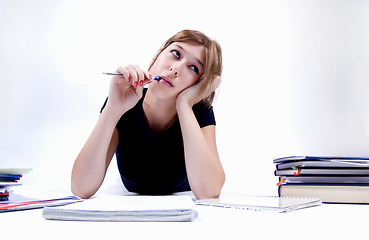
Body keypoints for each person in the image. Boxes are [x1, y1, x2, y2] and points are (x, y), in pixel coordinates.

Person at [71, 29, 225, 199]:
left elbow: (209, 192)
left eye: (193, 68)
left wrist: (185, 105)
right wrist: (113, 108)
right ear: (159, 54)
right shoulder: (122, 101)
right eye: (175, 53)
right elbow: (81, 188)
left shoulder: (198, 111)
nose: (175, 69)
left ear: (200, 83)